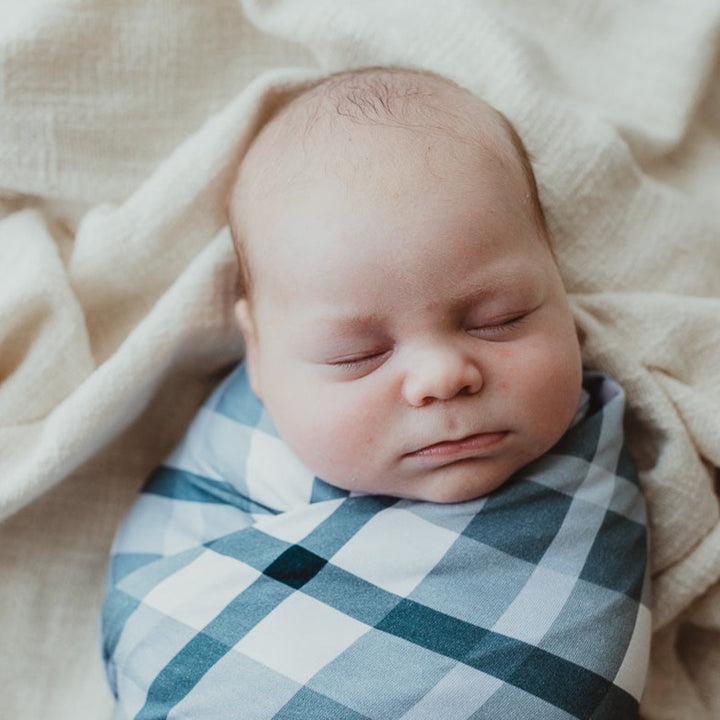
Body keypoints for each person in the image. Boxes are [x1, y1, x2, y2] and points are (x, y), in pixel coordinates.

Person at [102, 67, 650, 720]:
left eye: (500, 317)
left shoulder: (616, 445)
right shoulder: (231, 472)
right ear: (258, 355)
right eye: (357, 355)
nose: (442, 377)